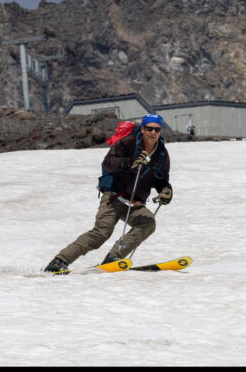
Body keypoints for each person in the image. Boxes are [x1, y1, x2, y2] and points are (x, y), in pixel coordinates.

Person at [44, 114, 173, 273]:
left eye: (157, 129)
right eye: (149, 129)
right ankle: (59, 262)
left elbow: (161, 179)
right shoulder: (128, 142)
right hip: (114, 196)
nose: (153, 132)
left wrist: (166, 191)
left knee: (147, 223)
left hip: (135, 202)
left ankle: (113, 259)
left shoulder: (161, 154)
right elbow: (108, 163)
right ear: (142, 129)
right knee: (101, 233)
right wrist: (129, 162)